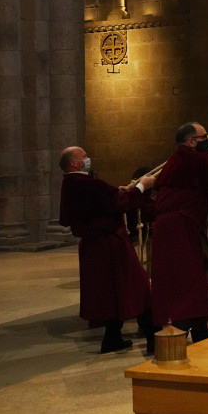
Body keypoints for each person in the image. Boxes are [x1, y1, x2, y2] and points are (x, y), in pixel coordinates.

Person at [57, 146, 156, 353]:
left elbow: (105, 200)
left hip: (95, 246)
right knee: (137, 287)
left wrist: (120, 192)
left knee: (113, 292)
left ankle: (112, 338)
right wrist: (140, 187)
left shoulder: (72, 184)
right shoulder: (84, 183)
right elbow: (117, 204)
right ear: (74, 163)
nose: (88, 158)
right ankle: (154, 338)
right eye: (83, 156)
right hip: (110, 244)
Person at [150, 122, 208, 343]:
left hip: (168, 228)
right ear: (191, 141)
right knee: (188, 279)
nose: (207, 141)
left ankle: (200, 329)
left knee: (189, 277)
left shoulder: (176, 159)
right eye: (204, 137)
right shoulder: (196, 159)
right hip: (180, 229)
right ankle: (180, 327)